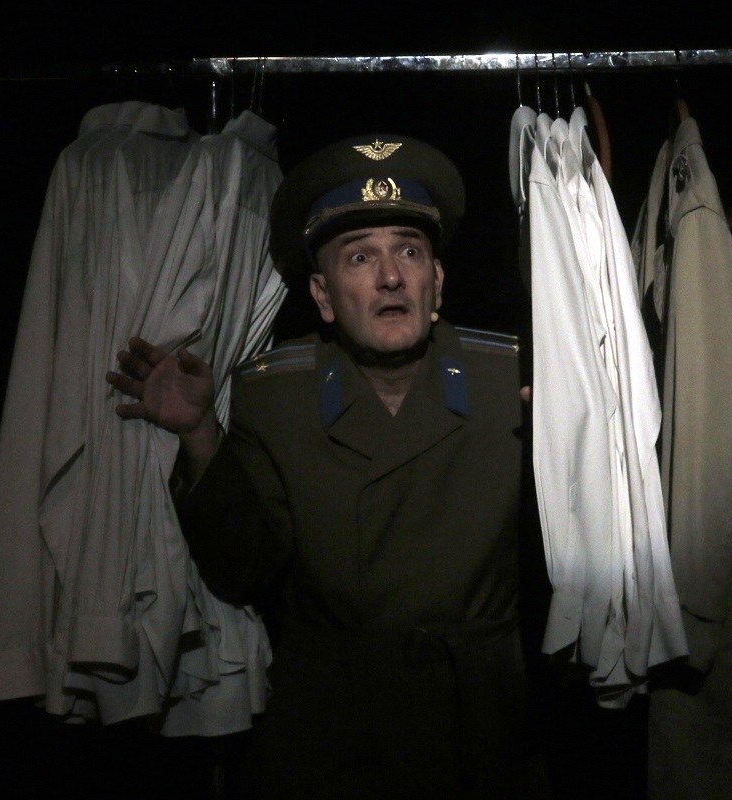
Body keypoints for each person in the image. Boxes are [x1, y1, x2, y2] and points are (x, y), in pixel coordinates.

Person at [106, 134, 529, 798]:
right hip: (332, 727)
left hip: (479, 720)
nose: (390, 277)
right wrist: (199, 435)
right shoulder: (277, 394)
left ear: (437, 282)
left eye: (409, 252)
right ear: (323, 295)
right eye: (360, 256)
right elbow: (243, 570)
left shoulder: (513, 380)